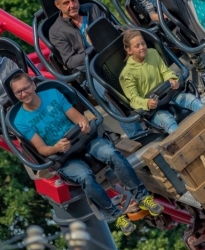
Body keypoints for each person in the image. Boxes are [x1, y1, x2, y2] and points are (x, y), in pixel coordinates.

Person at [8, 73, 163, 234]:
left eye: (26, 88)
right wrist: (56, 148)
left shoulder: (52, 94)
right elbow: (41, 149)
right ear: (15, 95)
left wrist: (84, 125)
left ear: (33, 86)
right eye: (19, 92)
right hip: (64, 156)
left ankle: (143, 197)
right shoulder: (21, 120)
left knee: (111, 153)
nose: (24, 94)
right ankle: (116, 215)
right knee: (85, 177)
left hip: (84, 141)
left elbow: (78, 118)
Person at [47, 0, 143, 137]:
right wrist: (93, 47)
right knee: (108, 91)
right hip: (90, 72)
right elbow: (71, 62)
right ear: (58, 5)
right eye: (66, 3)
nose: (72, 5)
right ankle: (136, 133)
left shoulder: (91, 9)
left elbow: (111, 28)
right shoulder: (56, 31)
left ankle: (159, 108)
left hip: (113, 57)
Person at [118, 30, 204, 135]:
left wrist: (172, 79)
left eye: (143, 43)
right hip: (154, 109)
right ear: (129, 50)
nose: (142, 47)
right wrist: (147, 103)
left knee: (192, 100)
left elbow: (165, 71)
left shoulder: (152, 53)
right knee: (167, 120)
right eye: (137, 46)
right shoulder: (127, 74)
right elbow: (134, 100)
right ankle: (182, 139)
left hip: (169, 95)